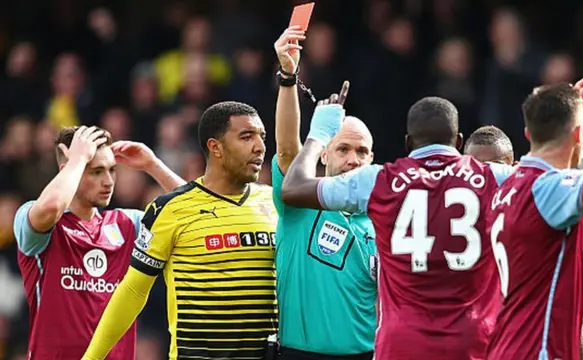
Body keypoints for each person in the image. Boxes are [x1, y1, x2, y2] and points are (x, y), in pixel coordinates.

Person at [280, 90, 519, 359]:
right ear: (459, 140)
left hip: (402, 342)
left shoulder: (376, 180)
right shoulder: (496, 176)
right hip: (472, 340)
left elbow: (293, 188)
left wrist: (318, 134)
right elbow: (560, 183)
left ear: (408, 143)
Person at [82, 101, 278, 360]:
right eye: (246, 137)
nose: (260, 147)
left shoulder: (274, 203)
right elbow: (132, 291)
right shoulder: (169, 210)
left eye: (262, 137)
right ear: (215, 147)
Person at [486, 83, 583, 359]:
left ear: (527, 133)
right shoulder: (551, 191)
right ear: (581, 134)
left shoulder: (509, 186)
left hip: (507, 347)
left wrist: (561, 113)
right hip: (540, 351)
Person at [13, 125, 185, 360]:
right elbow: (52, 206)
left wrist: (152, 165)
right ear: (68, 170)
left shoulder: (128, 224)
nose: (108, 181)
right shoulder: (39, 223)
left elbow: (197, 216)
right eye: (96, 171)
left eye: (112, 170)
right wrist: (78, 160)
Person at [272, 27, 377, 360]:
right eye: (343, 148)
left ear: (372, 159)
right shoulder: (301, 202)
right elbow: (288, 151)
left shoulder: (385, 215)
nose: (352, 160)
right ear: (323, 154)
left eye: (362, 152)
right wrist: (289, 77)